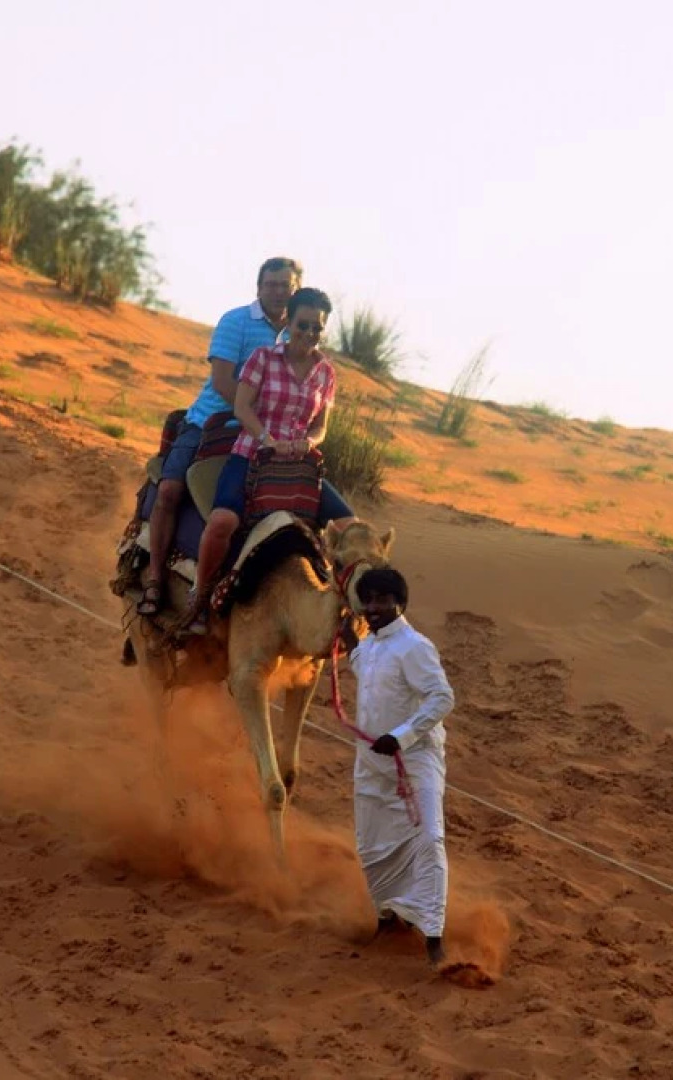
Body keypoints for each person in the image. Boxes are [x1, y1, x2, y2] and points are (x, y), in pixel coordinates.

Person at [181, 285, 355, 630]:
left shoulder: (326, 373)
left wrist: (307, 443)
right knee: (222, 523)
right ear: (289, 322)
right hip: (252, 455)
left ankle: (344, 612)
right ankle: (200, 595)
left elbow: (321, 427)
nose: (308, 333)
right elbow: (243, 407)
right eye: (302, 324)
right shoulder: (263, 358)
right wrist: (267, 439)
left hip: (299, 468)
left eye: (316, 328)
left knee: (353, 529)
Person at [137, 256, 302, 616]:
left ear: (295, 290)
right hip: (213, 421)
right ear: (259, 288)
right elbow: (224, 382)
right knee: (170, 489)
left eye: (285, 286)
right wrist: (257, 421)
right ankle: (153, 578)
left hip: (272, 435)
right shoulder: (236, 322)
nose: (277, 292)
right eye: (271, 284)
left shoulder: (299, 333)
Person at [346, 566, 455, 966]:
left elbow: (442, 698)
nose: (373, 608)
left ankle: (433, 936)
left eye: (382, 600)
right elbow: (363, 667)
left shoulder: (415, 646)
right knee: (373, 844)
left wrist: (403, 735)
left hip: (414, 761)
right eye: (368, 600)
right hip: (370, 765)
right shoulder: (368, 646)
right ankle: (388, 919)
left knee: (428, 838)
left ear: (399, 603)